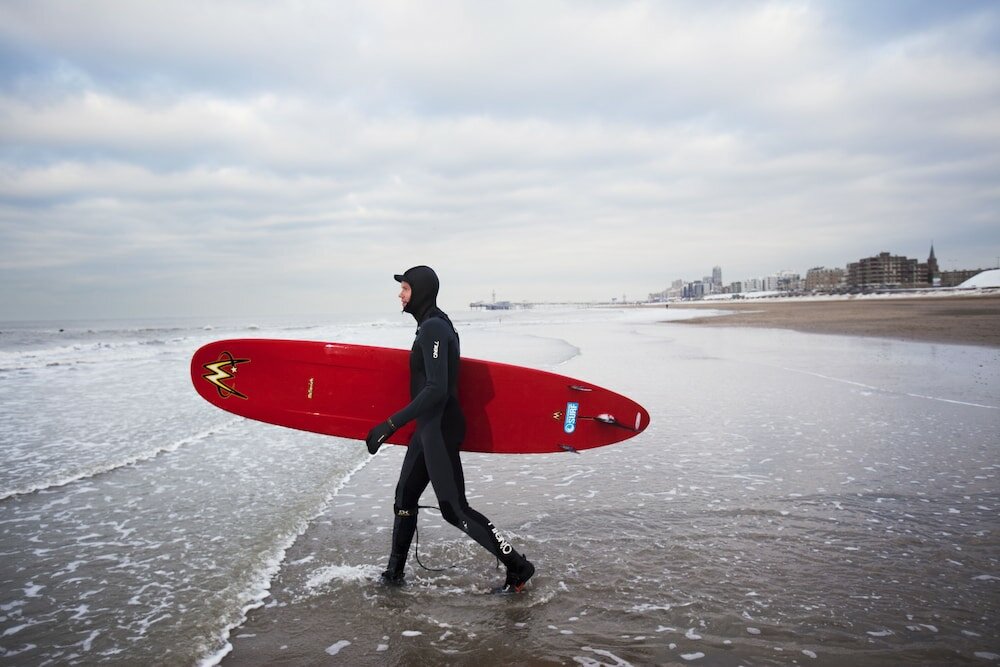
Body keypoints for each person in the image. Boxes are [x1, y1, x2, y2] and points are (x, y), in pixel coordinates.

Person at [365, 265, 535, 593]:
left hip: (439, 428)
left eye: (406, 288)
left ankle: (518, 566)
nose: (400, 294)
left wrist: (390, 424)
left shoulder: (433, 329)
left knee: (455, 510)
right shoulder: (433, 326)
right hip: (428, 428)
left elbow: (436, 389)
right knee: (404, 497)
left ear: (422, 292)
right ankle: (393, 576)